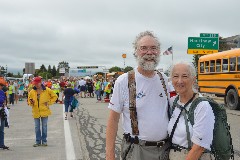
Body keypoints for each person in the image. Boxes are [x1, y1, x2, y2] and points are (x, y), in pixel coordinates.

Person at [106, 31, 172, 160]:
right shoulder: (124, 80)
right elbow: (113, 120)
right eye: (144, 48)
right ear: (136, 51)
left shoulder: (163, 79)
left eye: (154, 48)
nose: (149, 52)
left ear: (158, 51)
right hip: (137, 151)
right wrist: (110, 155)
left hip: (165, 150)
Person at [167, 62, 215, 160]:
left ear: (193, 79)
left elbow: (199, 147)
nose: (179, 81)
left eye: (185, 76)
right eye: (175, 76)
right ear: (171, 80)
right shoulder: (175, 102)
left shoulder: (202, 106)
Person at [28, 77, 57, 147]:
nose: (35, 85)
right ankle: (37, 141)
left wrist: (49, 102)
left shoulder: (47, 90)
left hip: (44, 111)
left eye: (37, 83)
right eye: (34, 84)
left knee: (44, 127)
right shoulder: (32, 91)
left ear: (40, 82)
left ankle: (44, 141)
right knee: (37, 127)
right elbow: (29, 100)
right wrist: (31, 102)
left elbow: (55, 96)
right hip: (36, 111)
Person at [0, 78, 9, 150]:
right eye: (1, 85)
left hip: (1, 111)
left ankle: (2, 144)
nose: (1, 87)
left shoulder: (2, 92)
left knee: (2, 129)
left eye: (2, 85)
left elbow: (3, 100)